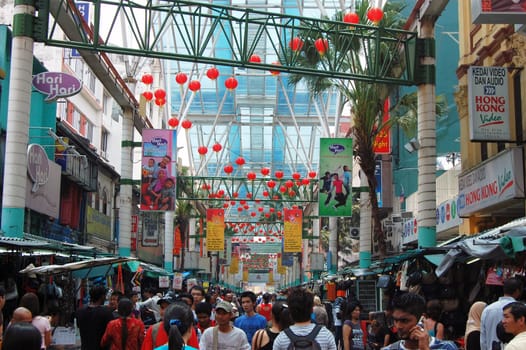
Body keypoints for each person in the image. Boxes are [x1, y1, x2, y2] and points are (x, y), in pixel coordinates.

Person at [381, 292, 457, 350]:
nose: (398, 326)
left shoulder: (446, 347)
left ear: (422, 319)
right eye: (395, 320)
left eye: (404, 321)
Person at [480, 277, 523, 350]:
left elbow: (483, 340)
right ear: (517, 291)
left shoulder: (488, 310)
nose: (503, 321)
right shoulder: (522, 309)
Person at [75, 285, 114, 350]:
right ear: (102, 297)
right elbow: (111, 333)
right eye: (105, 296)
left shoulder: (80, 311)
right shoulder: (106, 313)